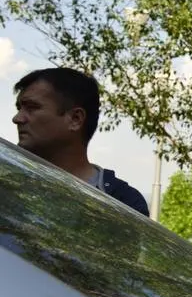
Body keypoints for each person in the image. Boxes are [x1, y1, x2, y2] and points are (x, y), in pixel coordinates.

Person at [12, 67, 149, 216]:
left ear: (75, 119)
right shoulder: (9, 188)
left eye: (31, 108)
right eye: (19, 108)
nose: (17, 118)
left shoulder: (124, 204)